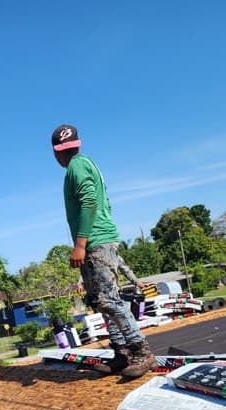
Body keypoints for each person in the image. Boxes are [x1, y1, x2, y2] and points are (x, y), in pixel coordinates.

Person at [51, 124, 156, 377]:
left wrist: (80, 244)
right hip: (96, 240)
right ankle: (122, 354)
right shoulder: (85, 164)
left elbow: (90, 201)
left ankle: (142, 352)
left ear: (56, 153)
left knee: (109, 300)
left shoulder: (77, 165)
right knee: (102, 302)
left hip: (96, 242)